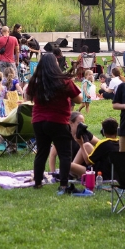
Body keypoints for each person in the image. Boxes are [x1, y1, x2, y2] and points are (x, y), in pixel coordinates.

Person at [26, 53, 82, 194]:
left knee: (41, 152)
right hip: (58, 121)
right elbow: (79, 99)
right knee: (65, 154)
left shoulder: (35, 81)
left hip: (38, 121)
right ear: (55, 64)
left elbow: (27, 96)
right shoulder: (64, 81)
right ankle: (63, 185)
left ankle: (38, 182)